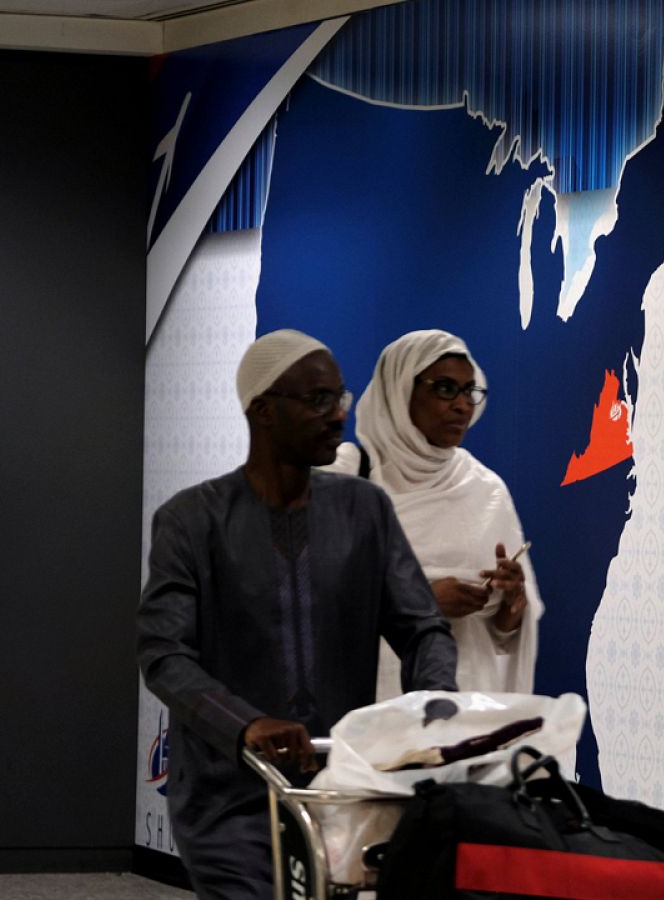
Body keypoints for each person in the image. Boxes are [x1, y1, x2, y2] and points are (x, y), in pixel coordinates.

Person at [137, 329, 458, 900]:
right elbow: (164, 656)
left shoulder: (366, 511)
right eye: (317, 401)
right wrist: (247, 725)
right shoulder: (191, 520)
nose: (338, 416)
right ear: (262, 410)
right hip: (227, 798)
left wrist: (428, 707)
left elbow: (423, 627)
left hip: (341, 788)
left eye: (341, 399)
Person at [327, 329, 542, 698]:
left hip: (464, 702)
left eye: (470, 391)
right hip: (372, 704)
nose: (462, 405)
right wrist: (420, 601)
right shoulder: (344, 477)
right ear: (400, 391)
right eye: (444, 388)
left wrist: (512, 601)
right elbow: (307, 602)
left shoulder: (485, 489)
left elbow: (503, 633)